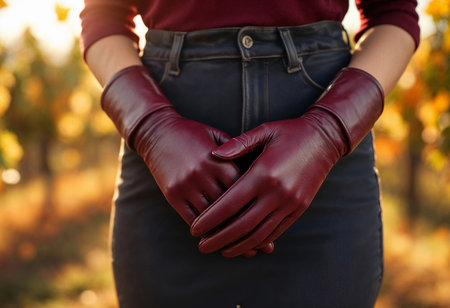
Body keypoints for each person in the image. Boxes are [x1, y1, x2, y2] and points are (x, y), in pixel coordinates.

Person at [80, 1, 420, 307]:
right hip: (166, 177)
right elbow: (104, 17)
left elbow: (393, 12)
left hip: (325, 178)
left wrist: (329, 131)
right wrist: (151, 127)